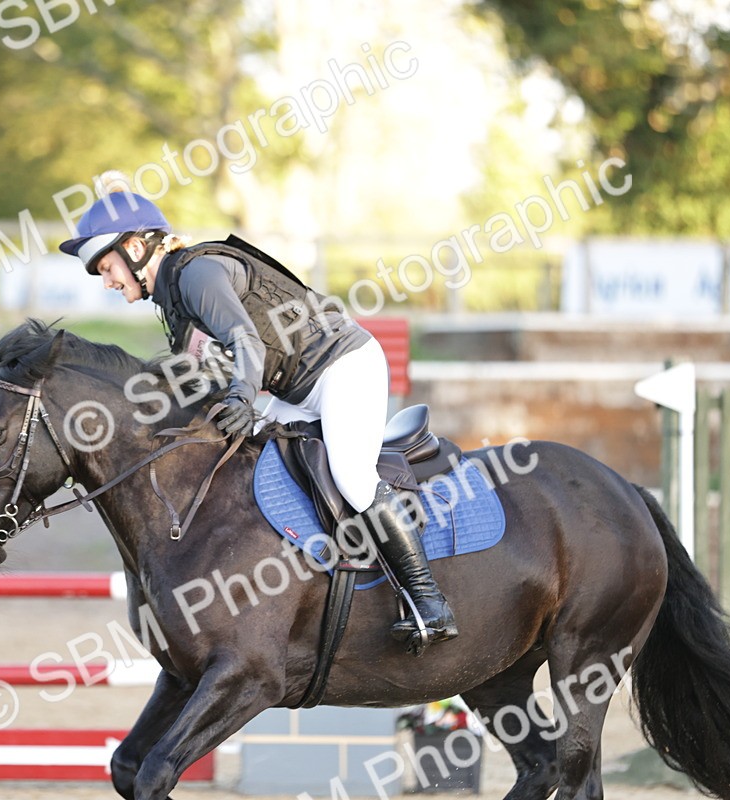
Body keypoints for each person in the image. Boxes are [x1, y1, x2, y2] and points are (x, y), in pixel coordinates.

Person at [59, 178, 456, 653]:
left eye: (107, 267)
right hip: (295, 388)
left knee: (351, 475)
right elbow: (202, 373)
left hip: (343, 368)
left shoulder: (196, 274)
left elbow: (244, 340)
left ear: (139, 247)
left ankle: (428, 602)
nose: (107, 281)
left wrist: (242, 399)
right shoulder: (173, 302)